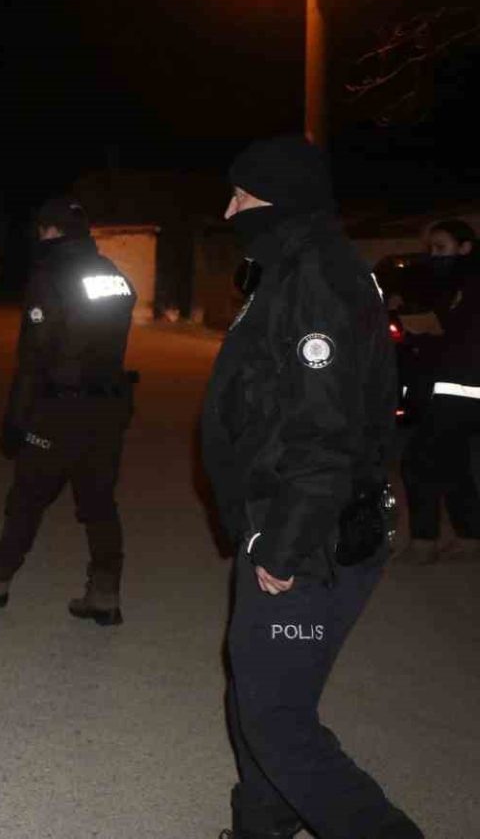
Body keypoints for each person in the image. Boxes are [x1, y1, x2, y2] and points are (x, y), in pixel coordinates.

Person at [201, 136, 422, 839]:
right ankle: (262, 824)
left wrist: (286, 544)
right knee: (259, 693)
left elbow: (325, 428)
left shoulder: (317, 278)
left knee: (275, 717)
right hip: (287, 519)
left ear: (281, 199)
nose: (228, 209)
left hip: (309, 538)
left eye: (241, 195)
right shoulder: (291, 267)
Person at [0, 194, 136, 625]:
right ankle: (105, 593)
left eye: (42, 229)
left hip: (60, 410)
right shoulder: (112, 274)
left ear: (52, 231)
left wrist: (16, 420)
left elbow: (33, 359)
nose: (39, 236)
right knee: (99, 503)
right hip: (108, 409)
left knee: (27, 497)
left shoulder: (50, 279)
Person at [398, 219, 480, 563]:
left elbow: (453, 329)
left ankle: (424, 541)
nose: (434, 254)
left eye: (441, 247)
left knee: (418, 462)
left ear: (465, 248)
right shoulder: (446, 282)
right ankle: (470, 535)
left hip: (459, 389)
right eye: (431, 248)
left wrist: (427, 327)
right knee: (453, 462)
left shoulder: (470, 284)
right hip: (446, 386)